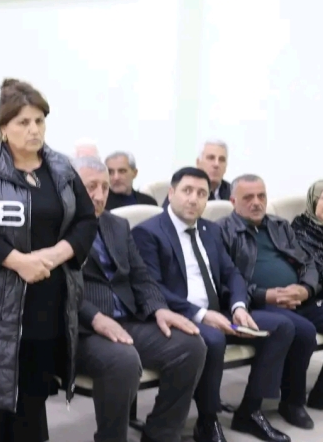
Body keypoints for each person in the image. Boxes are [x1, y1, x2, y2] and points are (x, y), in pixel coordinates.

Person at [0, 78, 97, 441]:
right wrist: (19, 262)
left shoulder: (60, 167)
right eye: (23, 122)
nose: (34, 130)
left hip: (47, 300)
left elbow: (86, 220)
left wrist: (56, 254)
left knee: (31, 400)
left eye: (39, 121)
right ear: (3, 127)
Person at [132, 167, 294, 442]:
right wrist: (201, 314)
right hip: (180, 315)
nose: (194, 199)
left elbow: (232, 273)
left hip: (219, 311)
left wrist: (239, 306)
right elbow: (151, 287)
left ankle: (250, 411)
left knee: (282, 327)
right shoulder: (148, 232)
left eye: (201, 193)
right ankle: (207, 420)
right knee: (214, 339)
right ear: (171, 193)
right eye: (187, 191)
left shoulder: (210, 229)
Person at [72, 156, 206, 442]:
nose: (100, 195)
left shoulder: (117, 225)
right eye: (90, 187)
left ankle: (161, 434)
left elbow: (141, 276)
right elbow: (59, 287)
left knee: (191, 346)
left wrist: (159, 309)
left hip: (127, 320)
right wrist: (95, 317)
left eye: (105, 187)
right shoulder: (54, 228)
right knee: (123, 360)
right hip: (81, 326)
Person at [218, 174, 323, 429]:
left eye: (261, 196)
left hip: (297, 299)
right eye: (248, 197)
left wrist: (305, 289)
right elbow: (224, 279)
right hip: (255, 303)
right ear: (233, 201)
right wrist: (264, 294)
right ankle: (292, 401)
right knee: (303, 332)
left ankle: (317, 396)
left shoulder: (280, 225)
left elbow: (308, 263)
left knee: (303, 325)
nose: (256, 202)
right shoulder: (222, 231)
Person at [289, 180, 323, 410]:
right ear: (314, 201)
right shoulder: (299, 230)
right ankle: (321, 397)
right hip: (307, 299)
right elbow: (313, 272)